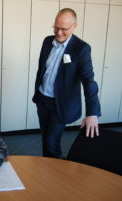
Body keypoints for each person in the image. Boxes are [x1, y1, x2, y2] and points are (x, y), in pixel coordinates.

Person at [32, 8, 101, 158]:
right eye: (56, 27)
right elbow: (42, 69)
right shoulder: (47, 41)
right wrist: (37, 94)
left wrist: (92, 113)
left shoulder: (81, 49)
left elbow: (89, 81)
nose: (59, 32)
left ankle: (55, 175)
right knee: (45, 137)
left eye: (64, 29)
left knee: (52, 142)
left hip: (61, 104)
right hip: (43, 99)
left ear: (74, 26)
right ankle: (46, 166)